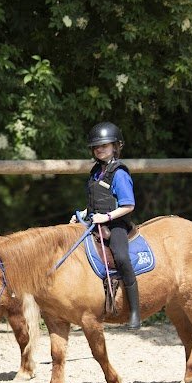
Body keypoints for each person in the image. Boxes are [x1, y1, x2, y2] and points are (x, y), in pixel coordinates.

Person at [71, 121, 140, 330]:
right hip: (94, 222)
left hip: (117, 224)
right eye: (96, 146)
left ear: (115, 146)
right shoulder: (95, 171)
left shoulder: (119, 173)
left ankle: (135, 311)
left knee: (120, 256)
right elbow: (96, 200)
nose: (99, 149)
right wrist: (83, 214)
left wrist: (107, 217)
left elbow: (129, 205)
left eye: (104, 145)